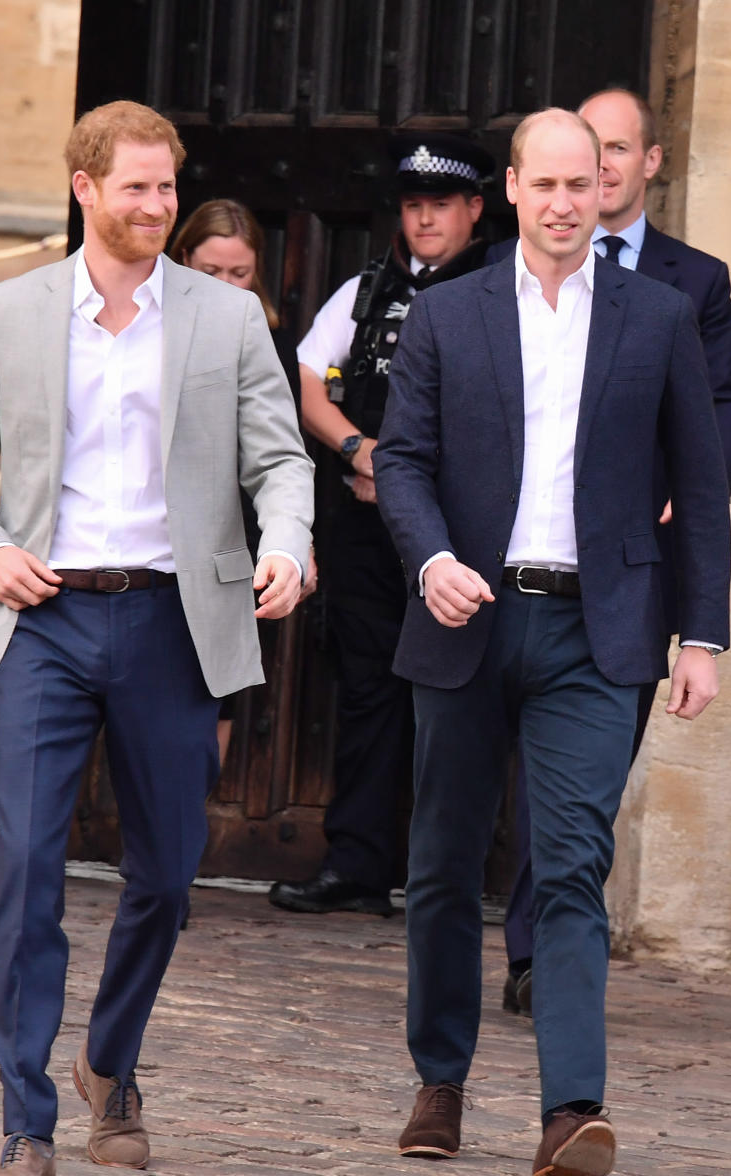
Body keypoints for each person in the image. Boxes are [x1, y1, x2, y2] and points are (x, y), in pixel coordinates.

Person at [0, 101, 313, 1176]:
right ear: (84, 187)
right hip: (42, 618)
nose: (156, 205)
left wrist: (289, 541)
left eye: (166, 186)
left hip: (172, 619)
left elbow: (279, 460)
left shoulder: (224, 320)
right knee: (28, 867)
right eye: (136, 186)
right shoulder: (11, 310)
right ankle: (26, 1121)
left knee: (167, 873)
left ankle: (111, 1055)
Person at [373, 108, 731, 1174]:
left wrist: (701, 635)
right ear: (514, 193)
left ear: (609, 190)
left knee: (573, 863)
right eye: (551, 185)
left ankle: (571, 1110)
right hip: (467, 619)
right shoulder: (451, 313)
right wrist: (431, 559)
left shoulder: (659, 317)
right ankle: (439, 1081)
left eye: (588, 183)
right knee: (441, 864)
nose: (570, 203)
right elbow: (402, 460)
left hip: (598, 630)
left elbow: (701, 489)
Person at [490, 87, 731, 1018]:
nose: (592, 174)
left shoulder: (693, 282)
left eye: (611, 151)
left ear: (647, 162)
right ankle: (531, 950)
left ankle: (553, 949)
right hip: (516, 576)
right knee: (514, 784)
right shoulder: (501, 284)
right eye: (571, 160)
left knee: (581, 789)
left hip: (628, 575)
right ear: (524, 184)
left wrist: (693, 481)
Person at [268, 132, 494, 917]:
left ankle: (444, 881)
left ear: (474, 209)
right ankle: (359, 867)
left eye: (440, 205)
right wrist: (361, 450)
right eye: (412, 206)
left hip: (461, 535)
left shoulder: (505, 290)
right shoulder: (368, 290)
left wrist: (412, 484)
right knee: (368, 692)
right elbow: (304, 381)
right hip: (366, 534)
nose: (425, 220)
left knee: (455, 702)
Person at [170, 198, 318, 766]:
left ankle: (193, 816)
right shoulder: (145, 331)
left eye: (240, 273)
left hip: (246, 540)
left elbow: (286, 453)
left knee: (221, 690)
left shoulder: (274, 343)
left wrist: (299, 540)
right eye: (212, 272)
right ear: (182, 257)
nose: (228, 287)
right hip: (164, 535)